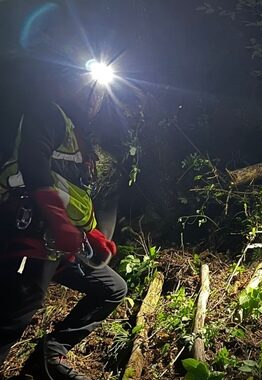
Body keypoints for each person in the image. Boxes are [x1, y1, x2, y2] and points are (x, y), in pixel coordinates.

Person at [0, 7, 127, 380]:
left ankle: (47, 357)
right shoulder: (46, 112)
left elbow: (72, 194)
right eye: (91, 89)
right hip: (30, 232)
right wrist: (58, 222)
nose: (95, 99)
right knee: (17, 310)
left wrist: (92, 235)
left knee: (111, 288)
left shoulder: (80, 137)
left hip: (63, 244)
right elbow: (33, 167)